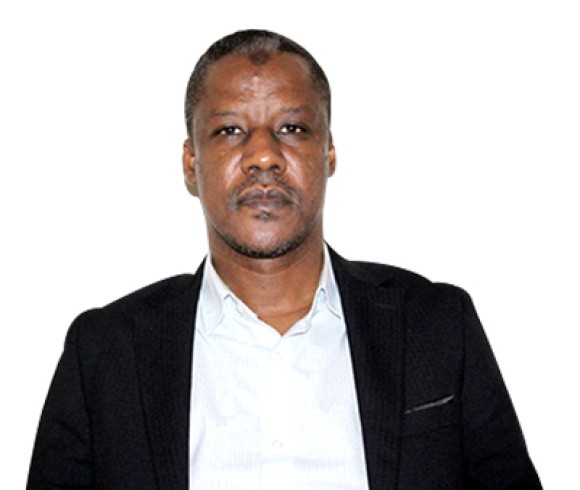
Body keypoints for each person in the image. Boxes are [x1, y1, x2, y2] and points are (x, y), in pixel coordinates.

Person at [27, 29, 542, 489]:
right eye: (230, 130)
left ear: (329, 152)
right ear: (190, 162)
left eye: (292, 128)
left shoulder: (436, 327)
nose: (264, 156)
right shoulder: (105, 353)